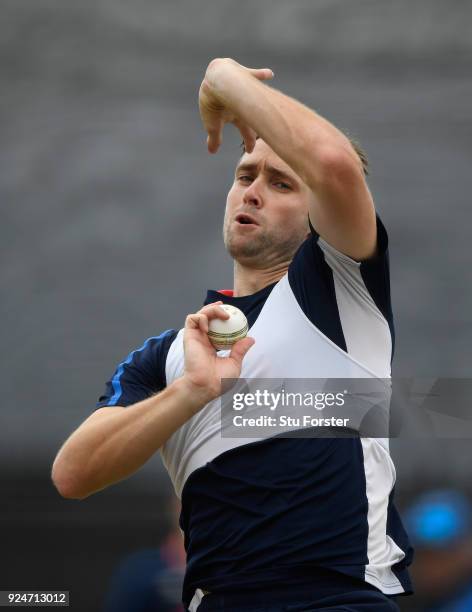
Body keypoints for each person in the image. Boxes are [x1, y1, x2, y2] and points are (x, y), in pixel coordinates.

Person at [52, 58, 413, 611]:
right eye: (245, 176)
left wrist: (222, 76)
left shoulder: (339, 289)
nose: (252, 192)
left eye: (281, 182)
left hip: (338, 601)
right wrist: (192, 393)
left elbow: (334, 164)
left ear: (320, 214)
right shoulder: (168, 356)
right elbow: (73, 475)